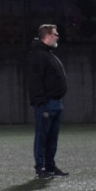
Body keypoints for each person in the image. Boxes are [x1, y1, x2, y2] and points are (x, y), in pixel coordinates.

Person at [27, 24, 68, 179]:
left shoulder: (47, 54)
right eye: (55, 34)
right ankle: (41, 168)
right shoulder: (38, 55)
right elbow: (35, 80)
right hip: (46, 104)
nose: (58, 36)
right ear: (48, 36)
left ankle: (50, 167)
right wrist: (41, 101)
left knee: (52, 138)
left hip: (55, 102)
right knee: (43, 137)